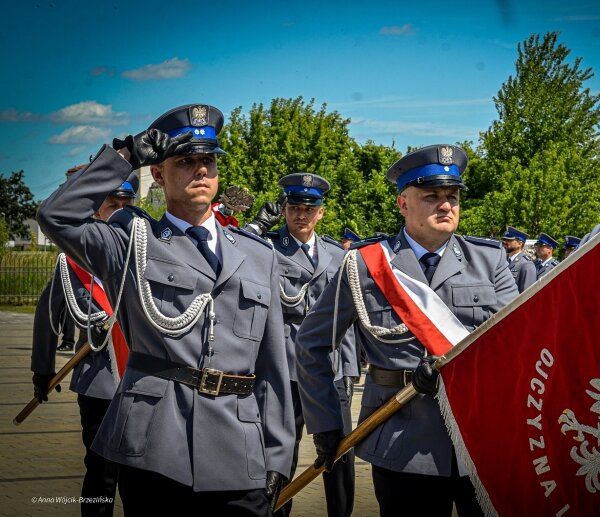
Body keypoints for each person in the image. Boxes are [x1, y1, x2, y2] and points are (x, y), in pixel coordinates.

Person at [36, 104, 295, 516]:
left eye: (207, 161)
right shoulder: (133, 242)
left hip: (239, 445)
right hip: (157, 443)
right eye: (186, 161)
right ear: (158, 173)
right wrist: (124, 157)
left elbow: (273, 367)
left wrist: (280, 453)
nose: (200, 171)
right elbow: (56, 216)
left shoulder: (257, 255)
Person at [295, 144, 518, 516]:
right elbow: (311, 344)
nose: (446, 205)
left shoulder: (489, 260)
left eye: (452, 196)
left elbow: (516, 345)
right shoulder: (366, 265)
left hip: (479, 439)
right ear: (403, 204)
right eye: (432, 196)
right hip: (400, 439)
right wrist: (327, 423)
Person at [249, 173, 359, 517]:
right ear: (284, 210)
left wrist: (351, 369)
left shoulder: (337, 254)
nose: (301, 215)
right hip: (286, 366)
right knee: (280, 450)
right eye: (294, 207)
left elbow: (350, 317)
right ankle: (277, 510)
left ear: (321, 213)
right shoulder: (267, 249)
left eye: (309, 209)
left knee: (340, 453)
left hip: (331, 368)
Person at [31, 172, 137, 517]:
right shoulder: (73, 263)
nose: (120, 210)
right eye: (112, 204)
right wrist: (42, 370)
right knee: (101, 473)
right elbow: (47, 318)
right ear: (95, 210)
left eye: (127, 203)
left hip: (145, 384)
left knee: (142, 478)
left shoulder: (150, 256)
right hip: (100, 384)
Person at [501, 226, 536, 292]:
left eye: (509, 240)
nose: (505, 242)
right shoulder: (504, 261)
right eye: (504, 240)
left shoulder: (526, 264)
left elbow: (527, 294)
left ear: (520, 244)